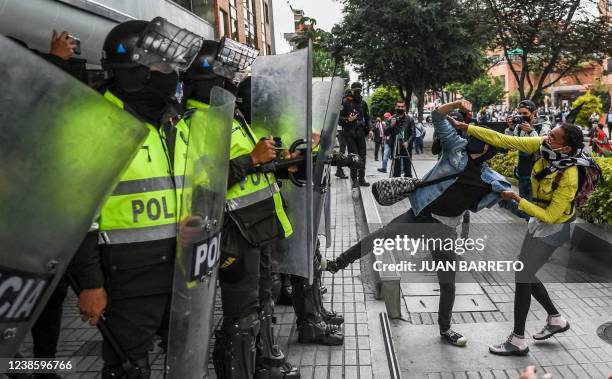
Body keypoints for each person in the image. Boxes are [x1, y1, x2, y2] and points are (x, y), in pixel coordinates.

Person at [326, 100, 511, 347]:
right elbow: (436, 116)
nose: (469, 135)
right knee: (382, 235)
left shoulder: (494, 181)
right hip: (419, 214)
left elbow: (513, 206)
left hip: (444, 229)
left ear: (488, 146)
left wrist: (526, 206)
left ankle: (446, 329)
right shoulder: (456, 149)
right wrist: (456, 104)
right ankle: (336, 263)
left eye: (477, 135)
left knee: (448, 284)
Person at [69, 19, 195, 378]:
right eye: (163, 65)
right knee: (128, 368)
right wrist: (91, 284)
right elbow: (78, 216)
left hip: (182, 272)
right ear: (134, 70)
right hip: (127, 280)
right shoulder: (95, 124)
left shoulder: (173, 122)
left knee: (185, 360)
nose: (170, 75)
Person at [181, 43, 300, 379]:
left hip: (257, 224)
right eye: (227, 76)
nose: (235, 82)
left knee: (263, 299)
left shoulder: (227, 116)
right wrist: (253, 159)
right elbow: (202, 186)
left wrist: (280, 165)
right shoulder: (198, 122)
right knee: (241, 311)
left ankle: (263, 361)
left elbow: (252, 165)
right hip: (235, 231)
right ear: (209, 80)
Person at [452, 120, 594, 356]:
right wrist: (465, 127)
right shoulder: (544, 146)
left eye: (553, 137)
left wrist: (517, 200)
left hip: (554, 228)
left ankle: (518, 339)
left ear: (566, 148)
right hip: (537, 222)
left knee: (523, 275)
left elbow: (550, 216)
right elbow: (505, 140)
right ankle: (555, 319)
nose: (547, 137)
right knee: (523, 272)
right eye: (549, 134)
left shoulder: (569, 174)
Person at [504, 100, 551, 204]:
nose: (521, 116)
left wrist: (531, 131)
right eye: (519, 113)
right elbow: (509, 144)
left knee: (534, 207)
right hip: (523, 172)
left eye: (525, 113)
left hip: (537, 173)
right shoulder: (519, 126)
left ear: (533, 113)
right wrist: (511, 129)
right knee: (524, 206)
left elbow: (544, 146)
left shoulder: (542, 125)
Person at [339, 82, 371, 187]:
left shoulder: (363, 103)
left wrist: (370, 130)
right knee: (354, 157)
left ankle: (361, 178)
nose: (357, 92)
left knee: (363, 156)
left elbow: (367, 118)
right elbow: (339, 119)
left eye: (359, 90)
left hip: (361, 133)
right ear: (351, 90)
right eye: (355, 90)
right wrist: (348, 119)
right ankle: (354, 180)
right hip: (349, 134)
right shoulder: (345, 102)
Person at [389, 100, 416, 178]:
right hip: (395, 147)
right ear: (395, 107)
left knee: (408, 170)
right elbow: (386, 132)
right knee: (396, 170)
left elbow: (413, 133)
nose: (400, 108)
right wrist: (391, 125)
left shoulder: (410, 119)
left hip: (406, 147)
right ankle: (396, 186)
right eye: (398, 106)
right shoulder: (392, 118)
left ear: (405, 107)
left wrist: (408, 142)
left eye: (402, 106)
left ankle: (409, 186)